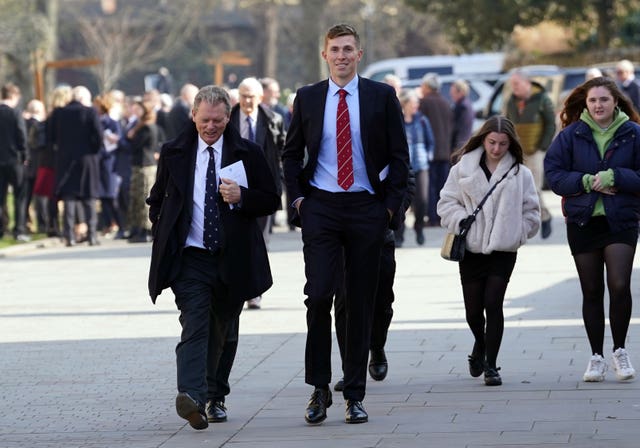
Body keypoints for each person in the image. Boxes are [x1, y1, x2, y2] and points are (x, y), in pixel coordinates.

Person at [282, 23, 409, 425]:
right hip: (320, 206)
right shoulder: (307, 98)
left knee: (357, 304)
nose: (340, 55)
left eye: (347, 49)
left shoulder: (381, 97)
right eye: (334, 49)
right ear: (325, 55)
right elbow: (290, 155)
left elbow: (400, 157)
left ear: (359, 54)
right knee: (319, 296)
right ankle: (319, 389)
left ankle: (354, 392)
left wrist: (388, 209)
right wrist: (300, 200)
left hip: (365, 207)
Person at [146, 85, 279, 430]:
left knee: (224, 329)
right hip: (190, 256)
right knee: (195, 323)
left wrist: (242, 196)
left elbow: (270, 199)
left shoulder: (246, 152)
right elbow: (157, 199)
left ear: (228, 117)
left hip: (232, 255)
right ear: (193, 116)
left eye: (218, 121)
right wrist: (162, 229)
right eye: (204, 120)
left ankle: (215, 394)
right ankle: (191, 395)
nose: (210, 127)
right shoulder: (174, 152)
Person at [544, 76, 640, 383]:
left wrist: (615, 177)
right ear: (586, 104)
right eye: (593, 101)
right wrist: (587, 182)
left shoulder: (633, 134)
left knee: (620, 284)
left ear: (616, 102)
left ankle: (620, 350)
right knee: (592, 290)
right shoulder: (571, 135)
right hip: (584, 221)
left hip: (621, 220)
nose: (598, 105)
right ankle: (596, 356)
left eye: (604, 100)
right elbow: (555, 175)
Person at [437, 115, 540, 386]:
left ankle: (492, 366)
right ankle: (480, 344)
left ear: (511, 144)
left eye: (503, 144)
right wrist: (461, 222)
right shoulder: (463, 169)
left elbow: (532, 211)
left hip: (503, 248)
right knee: (473, 311)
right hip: (470, 245)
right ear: (483, 140)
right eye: (492, 142)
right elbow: (446, 203)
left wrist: (519, 231)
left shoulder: (520, 173)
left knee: (493, 303)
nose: (496, 149)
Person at [230, 77, 286, 309]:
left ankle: (254, 291)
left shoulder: (273, 120)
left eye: (251, 96)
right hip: (233, 187)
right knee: (236, 239)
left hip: (262, 189)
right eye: (243, 95)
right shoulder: (228, 118)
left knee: (260, 240)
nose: (247, 100)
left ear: (260, 98)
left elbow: (283, 149)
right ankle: (237, 287)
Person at [47, 85, 103, 247]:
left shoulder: (59, 113)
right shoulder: (90, 112)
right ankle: (92, 234)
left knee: (68, 196)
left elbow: (50, 138)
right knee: (89, 196)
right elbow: (99, 137)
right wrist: (94, 151)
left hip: (64, 159)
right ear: (84, 99)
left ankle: (69, 236)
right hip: (87, 158)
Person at [505, 70, 556, 239]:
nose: (514, 88)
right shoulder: (511, 101)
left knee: (534, 188)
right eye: (512, 85)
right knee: (518, 189)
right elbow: (507, 124)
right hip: (518, 152)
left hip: (535, 153)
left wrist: (543, 147)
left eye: (516, 84)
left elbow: (550, 124)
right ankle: (535, 219)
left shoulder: (542, 99)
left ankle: (545, 216)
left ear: (527, 83)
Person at [394, 89, 433, 247]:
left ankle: (419, 228)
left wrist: (428, 155)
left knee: (422, 200)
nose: (416, 105)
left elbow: (430, 141)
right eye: (413, 102)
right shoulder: (398, 120)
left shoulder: (422, 120)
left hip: (421, 165)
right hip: (402, 166)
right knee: (401, 201)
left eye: (417, 102)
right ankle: (399, 234)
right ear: (405, 104)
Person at [127, 100, 164, 243]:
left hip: (145, 164)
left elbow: (136, 145)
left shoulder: (147, 128)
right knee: (137, 197)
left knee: (144, 197)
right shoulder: (144, 126)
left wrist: (130, 137)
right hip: (142, 163)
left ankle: (146, 229)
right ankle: (137, 228)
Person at [419, 72, 453, 228]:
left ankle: (432, 217)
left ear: (427, 87)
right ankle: (442, 218)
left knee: (431, 187)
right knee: (443, 187)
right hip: (445, 152)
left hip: (430, 152)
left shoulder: (424, 102)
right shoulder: (446, 103)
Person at [0, 82, 30, 242]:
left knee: (1, 197)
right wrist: (25, 155)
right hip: (15, 160)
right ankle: (19, 229)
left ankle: (1, 228)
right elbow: (21, 136)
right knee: (20, 195)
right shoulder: (15, 113)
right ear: (13, 96)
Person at [450, 79, 475, 152]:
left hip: (459, 145)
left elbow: (455, 127)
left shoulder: (461, 106)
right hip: (464, 143)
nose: (451, 95)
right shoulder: (467, 103)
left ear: (460, 92)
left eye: (453, 92)